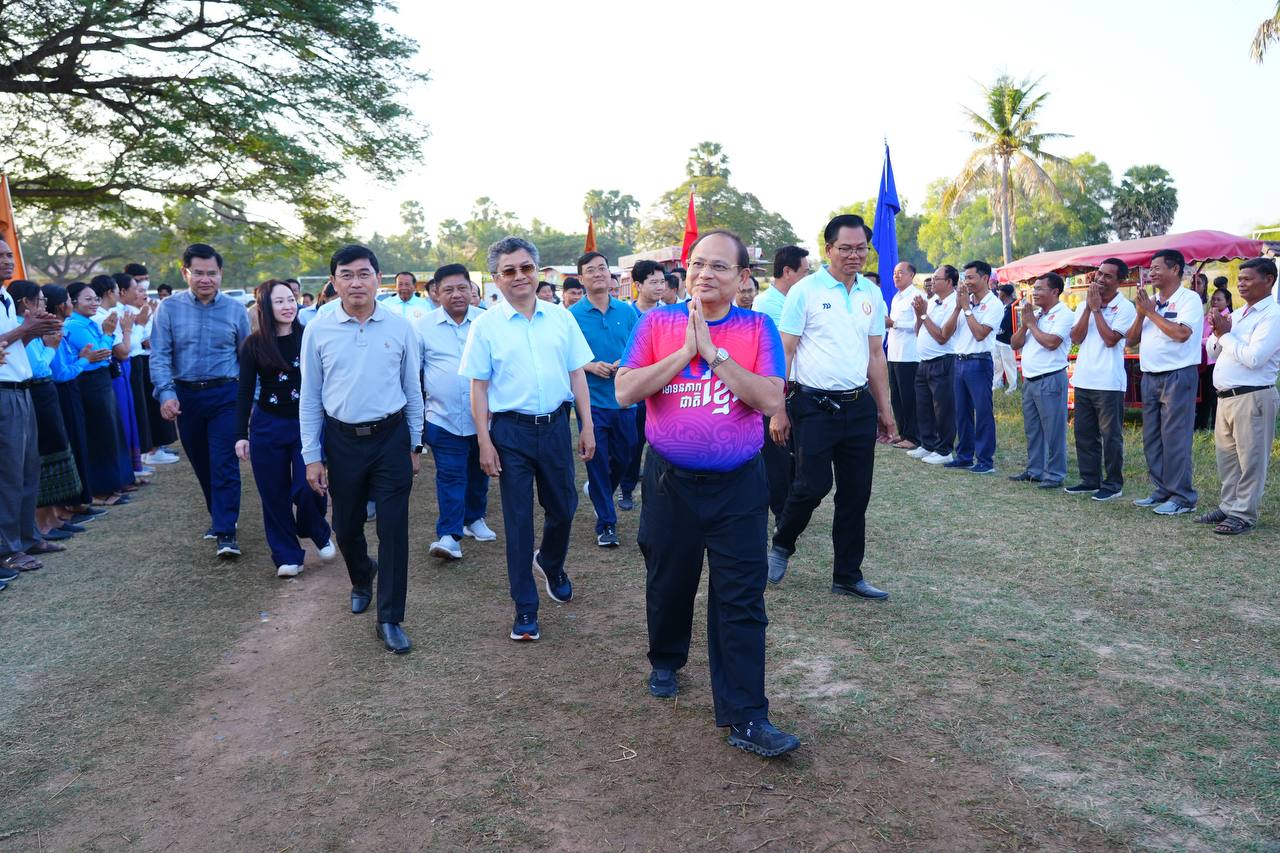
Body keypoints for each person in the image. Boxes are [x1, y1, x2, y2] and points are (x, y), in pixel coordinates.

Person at [614, 228, 799, 758]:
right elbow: (626, 390)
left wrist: (714, 355)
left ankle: (747, 715)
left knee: (741, 597)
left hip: (738, 486)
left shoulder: (757, 327)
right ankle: (666, 659)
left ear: (742, 278)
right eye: (698, 264)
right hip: (669, 482)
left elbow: (769, 399)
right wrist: (684, 353)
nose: (705, 274)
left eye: (720, 266)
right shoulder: (657, 322)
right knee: (669, 580)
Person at [459, 236, 595, 642]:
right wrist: (484, 441)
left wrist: (586, 425)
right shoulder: (485, 326)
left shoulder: (561, 318)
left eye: (526, 268)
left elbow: (576, 373)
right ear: (496, 277)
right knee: (518, 522)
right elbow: (478, 388)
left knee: (564, 507)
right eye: (509, 270)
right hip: (510, 433)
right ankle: (525, 607)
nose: (519, 276)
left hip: (555, 427)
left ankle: (550, 561)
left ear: (536, 271)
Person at [302, 245, 424, 654]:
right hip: (342, 441)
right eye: (347, 275)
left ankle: (389, 618)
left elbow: (412, 389)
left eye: (364, 274)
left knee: (393, 529)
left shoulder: (399, 327)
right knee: (346, 526)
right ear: (334, 281)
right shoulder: (318, 328)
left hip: (391, 438)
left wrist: (415, 442)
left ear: (378, 278)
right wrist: (312, 456)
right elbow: (310, 396)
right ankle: (361, 575)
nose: (356, 282)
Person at [766, 214, 893, 598]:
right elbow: (785, 351)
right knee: (812, 485)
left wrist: (885, 410)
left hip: (858, 406)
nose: (855, 255)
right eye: (846, 248)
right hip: (813, 405)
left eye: (861, 248)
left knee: (856, 493)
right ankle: (782, 542)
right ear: (829, 249)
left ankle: (847, 576)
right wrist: (778, 408)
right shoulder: (805, 291)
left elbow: (876, 355)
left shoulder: (871, 294)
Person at [150, 243, 252, 556]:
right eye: (198, 273)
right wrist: (166, 393)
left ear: (221, 274)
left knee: (224, 462)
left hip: (226, 395)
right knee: (202, 463)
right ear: (186, 273)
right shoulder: (168, 308)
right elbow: (160, 355)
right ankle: (218, 515)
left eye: (212, 273)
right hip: (186, 397)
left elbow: (247, 357)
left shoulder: (235, 309)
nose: (205, 279)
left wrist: (251, 400)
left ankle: (226, 531)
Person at [236, 280, 336, 578]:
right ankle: (287, 555)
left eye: (291, 299)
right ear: (265, 307)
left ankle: (316, 529)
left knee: (308, 485)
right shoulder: (253, 344)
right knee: (273, 494)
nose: (288, 306)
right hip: (267, 425)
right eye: (279, 301)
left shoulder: (310, 336)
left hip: (306, 424)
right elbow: (244, 391)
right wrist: (241, 434)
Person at [415, 264, 495, 560]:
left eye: (462, 288)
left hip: (485, 418)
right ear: (436, 293)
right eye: (448, 289)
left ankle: (474, 518)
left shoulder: (487, 321)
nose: (456, 294)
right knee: (450, 475)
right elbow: (414, 374)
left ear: (471, 289)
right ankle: (449, 535)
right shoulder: (422, 327)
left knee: (479, 470)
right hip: (443, 417)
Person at [1199, 258, 1280, 534]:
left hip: (1253, 396)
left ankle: (1244, 513)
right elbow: (1213, 351)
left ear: (1268, 280)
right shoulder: (1240, 313)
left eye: (1247, 278)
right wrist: (1217, 331)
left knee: (1251, 460)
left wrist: (1224, 335)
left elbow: (1255, 358)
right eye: (1240, 278)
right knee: (1228, 458)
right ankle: (1228, 506)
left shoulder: (1273, 315)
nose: (1241, 283)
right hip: (1226, 397)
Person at [570, 251, 640, 547]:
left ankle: (600, 491)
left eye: (602, 268)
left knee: (625, 457)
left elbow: (640, 346)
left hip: (625, 399)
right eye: (591, 270)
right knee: (597, 461)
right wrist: (590, 366)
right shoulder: (571, 316)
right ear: (581, 278)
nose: (598, 273)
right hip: (591, 402)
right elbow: (565, 357)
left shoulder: (627, 311)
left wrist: (625, 361)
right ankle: (607, 524)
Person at [1126, 248, 1202, 515]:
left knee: (1175, 438)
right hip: (1150, 376)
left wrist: (1151, 313)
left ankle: (1183, 497)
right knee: (1152, 438)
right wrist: (1141, 313)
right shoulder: (1150, 302)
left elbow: (1181, 334)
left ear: (1175, 269)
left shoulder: (1189, 299)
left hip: (1177, 376)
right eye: (1151, 268)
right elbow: (1130, 340)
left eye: (1157, 268)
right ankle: (1162, 490)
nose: (1151, 273)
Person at [2, 276, 69, 573]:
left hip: (23, 388)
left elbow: (14, 346)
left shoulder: (5, 298)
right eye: (2, 255)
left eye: (8, 255)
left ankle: (28, 538)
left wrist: (32, 332)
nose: (7, 260)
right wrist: (26, 329)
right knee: (9, 475)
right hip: (4, 391)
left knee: (29, 470)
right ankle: (8, 548)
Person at [1065, 258, 1137, 501]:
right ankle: (1089, 480)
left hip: (1108, 382)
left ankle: (1113, 483)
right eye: (1099, 274)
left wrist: (1096, 310)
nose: (1100, 279)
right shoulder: (1083, 305)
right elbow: (1076, 337)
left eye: (1108, 276)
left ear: (1120, 281)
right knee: (1084, 434)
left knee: (1111, 436)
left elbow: (1110, 340)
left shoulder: (1125, 307)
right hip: (1084, 379)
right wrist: (1088, 307)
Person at [755, 246, 810, 524]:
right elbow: (785, 348)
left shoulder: (794, 300)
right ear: (788, 272)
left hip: (798, 388)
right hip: (778, 389)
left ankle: (790, 509)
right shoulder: (768, 304)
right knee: (778, 456)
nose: (809, 278)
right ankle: (782, 514)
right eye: (805, 272)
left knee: (795, 456)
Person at [617, 260, 675, 511]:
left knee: (664, 443)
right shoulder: (627, 314)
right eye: (653, 282)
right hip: (638, 392)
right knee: (634, 443)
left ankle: (664, 490)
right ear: (638, 285)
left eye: (662, 282)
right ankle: (627, 489)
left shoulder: (671, 314)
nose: (660, 286)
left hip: (665, 391)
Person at [1010, 273, 1074, 488]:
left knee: (1054, 430)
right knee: (1033, 429)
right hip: (1030, 379)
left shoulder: (1064, 314)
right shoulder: (1037, 315)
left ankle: (1055, 474)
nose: (1034, 293)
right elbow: (1014, 343)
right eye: (1034, 289)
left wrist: (1032, 325)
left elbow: (1052, 343)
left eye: (1039, 289)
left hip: (1050, 378)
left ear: (1054, 291)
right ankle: (1035, 470)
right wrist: (1025, 325)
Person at [944, 260, 1001, 473]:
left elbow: (979, 334)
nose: (966, 282)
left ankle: (985, 461)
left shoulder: (993, 304)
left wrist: (967, 309)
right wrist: (958, 307)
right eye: (964, 277)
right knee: (961, 412)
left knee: (983, 412)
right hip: (959, 361)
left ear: (985, 278)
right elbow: (946, 333)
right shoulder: (964, 302)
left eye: (970, 277)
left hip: (979, 362)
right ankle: (964, 456)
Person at [910, 265, 959, 464]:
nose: (932, 281)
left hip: (943, 361)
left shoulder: (955, 303)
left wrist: (923, 315)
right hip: (924, 362)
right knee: (923, 406)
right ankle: (927, 444)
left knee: (943, 409)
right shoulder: (931, 302)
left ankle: (944, 450)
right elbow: (918, 331)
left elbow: (942, 337)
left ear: (949, 282)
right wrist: (919, 314)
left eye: (936, 278)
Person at [885, 261, 923, 450]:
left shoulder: (917, 296)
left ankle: (914, 437)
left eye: (901, 272)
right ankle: (904, 432)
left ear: (911, 275)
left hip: (909, 355)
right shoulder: (896, 297)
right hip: (894, 353)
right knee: (897, 397)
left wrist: (894, 324)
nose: (896, 276)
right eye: (894, 273)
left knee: (909, 398)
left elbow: (919, 325)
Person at [1196, 288, 1233, 430]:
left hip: (1218, 361)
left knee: (1214, 395)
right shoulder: (1208, 316)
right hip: (1205, 360)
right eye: (1213, 299)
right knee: (1205, 393)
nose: (1215, 302)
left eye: (1219, 299)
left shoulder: (1228, 318)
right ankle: (1202, 424)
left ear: (1227, 302)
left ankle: (1214, 425)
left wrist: (1199, 341)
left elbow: (1217, 338)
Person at [992, 284, 1018, 393]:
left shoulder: (1012, 307)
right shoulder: (1004, 306)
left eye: (1000, 293)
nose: (998, 295)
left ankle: (1012, 387)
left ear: (1004, 295)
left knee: (1009, 365)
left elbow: (1004, 327)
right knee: (997, 365)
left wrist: (992, 330)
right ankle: (997, 383)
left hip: (1007, 342)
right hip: (998, 340)